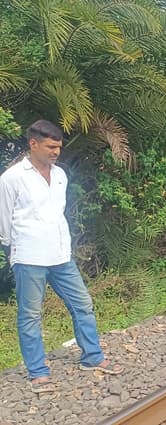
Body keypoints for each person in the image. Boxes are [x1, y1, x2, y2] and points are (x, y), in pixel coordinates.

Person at [0, 120, 123, 393]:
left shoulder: (60, 175)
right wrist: (11, 248)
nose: (56, 152)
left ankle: (92, 357)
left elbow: (58, 213)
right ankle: (38, 373)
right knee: (31, 315)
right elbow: (4, 220)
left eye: (58, 147)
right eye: (50, 146)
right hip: (29, 256)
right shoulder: (12, 178)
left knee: (82, 304)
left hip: (60, 255)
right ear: (33, 144)